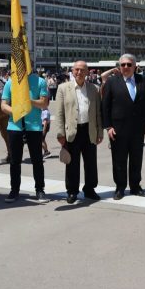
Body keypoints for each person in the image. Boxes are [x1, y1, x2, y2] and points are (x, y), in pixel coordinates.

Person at [102, 54, 145, 200]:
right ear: (120, 66)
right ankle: (120, 187)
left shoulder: (143, 80)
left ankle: (135, 186)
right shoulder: (112, 82)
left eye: (129, 64)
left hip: (138, 129)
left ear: (135, 66)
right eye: (123, 64)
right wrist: (108, 127)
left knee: (136, 159)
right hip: (118, 129)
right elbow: (105, 106)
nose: (126, 67)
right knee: (119, 160)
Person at [1, 62, 50, 203]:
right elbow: (4, 104)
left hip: (33, 127)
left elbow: (44, 103)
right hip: (15, 127)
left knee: (37, 161)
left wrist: (28, 101)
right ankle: (14, 190)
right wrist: (15, 112)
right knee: (15, 161)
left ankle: (40, 190)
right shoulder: (10, 82)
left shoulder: (40, 81)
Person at [55, 60, 103, 203]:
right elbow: (59, 113)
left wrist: (100, 132)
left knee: (91, 162)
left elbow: (98, 113)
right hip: (72, 132)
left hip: (89, 130)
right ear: (72, 71)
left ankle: (89, 189)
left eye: (82, 70)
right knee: (72, 163)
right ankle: (72, 191)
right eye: (76, 70)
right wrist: (60, 133)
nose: (79, 72)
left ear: (87, 72)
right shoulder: (63, 88)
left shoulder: (94, 89)